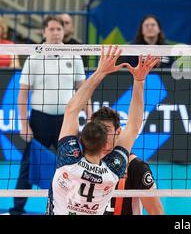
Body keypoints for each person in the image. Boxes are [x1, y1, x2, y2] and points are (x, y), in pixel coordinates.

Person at [46, 46, 160, 215]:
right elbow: (134, 126)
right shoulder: (113, 171)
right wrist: (139, 81)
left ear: (83, 138)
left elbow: (71, 109)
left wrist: (100, 72)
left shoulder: (68, 159)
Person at [9, 15, 89, 215]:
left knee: (72, 166)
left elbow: (83, 91)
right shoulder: (34, 57)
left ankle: (75, 208)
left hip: (66, 121)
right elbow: (23, 94)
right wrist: (24, 125)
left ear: (64, 32)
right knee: (28, 166)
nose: (55, 33)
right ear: (43, 32)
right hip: (40, 120)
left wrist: (89, 117)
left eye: (58, 29)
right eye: (51, 29)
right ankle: (17, 209)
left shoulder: (74, 56)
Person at [90, 107, 164, 215]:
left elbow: (156, 211)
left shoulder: (136, 167)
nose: (103, 135)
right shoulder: (87, 162)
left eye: (107, 129)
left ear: (118, 131)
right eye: (98, 130)